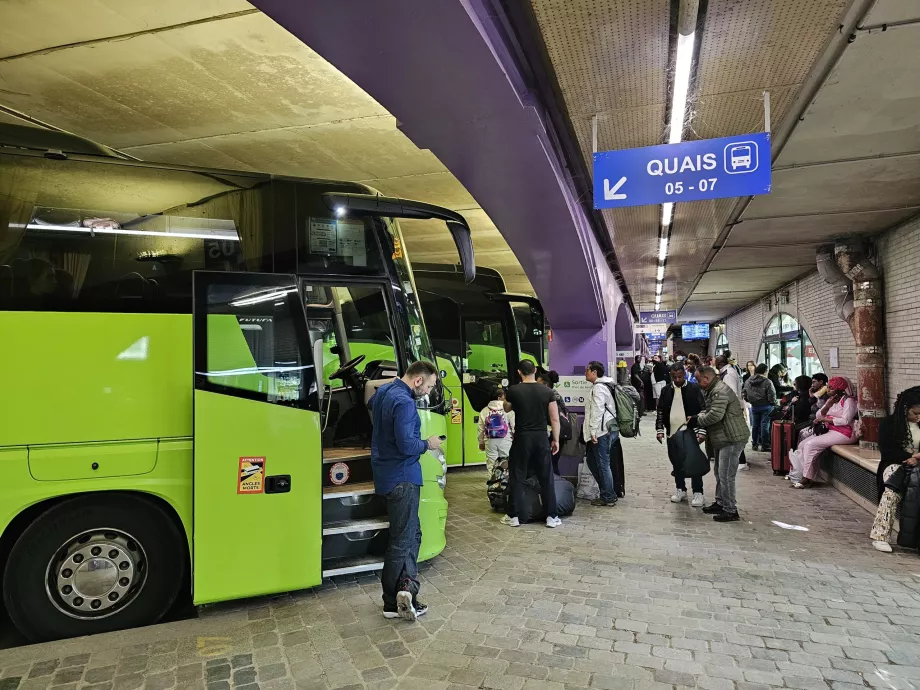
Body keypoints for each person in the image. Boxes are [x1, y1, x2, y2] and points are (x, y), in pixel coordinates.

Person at [369, 360, 442, 621]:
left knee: (413, 533)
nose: (428, 392)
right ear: (418, 380)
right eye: (430, 385)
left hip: (387, 474)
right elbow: (407, 445)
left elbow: (371, 406)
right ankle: (392, 601)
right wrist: (429, 443)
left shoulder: (384, 392)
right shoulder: (406, 403)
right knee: (401, 541)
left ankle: (407, 589)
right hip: (403, 477)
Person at [502, 360, 561, 528]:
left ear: (519, 372)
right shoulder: (548, 391)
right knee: (546, 476)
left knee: (517, 475)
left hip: (522, 438)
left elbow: (506, 408)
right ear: (535, 370)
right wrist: (555, 439)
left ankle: (513, 516)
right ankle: (551, 516)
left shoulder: (513, 390)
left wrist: (509, 399)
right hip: (541, 437)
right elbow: (555, 419)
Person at [690, 366, 750, 522]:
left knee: (726, 475)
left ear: (707, 378)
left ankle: (730, 509)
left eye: (698, 380)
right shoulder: (712, 389)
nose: (697, 383)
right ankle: (721, 502)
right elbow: (708, 410)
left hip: (731, 437)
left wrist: (696, 420)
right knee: (719, 471)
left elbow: (715, 415)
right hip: (722, 437)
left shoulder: (719, 391)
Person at [870, 387, 920, 552]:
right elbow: (887, 451)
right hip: (895, 464)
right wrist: (909, 457)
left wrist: (917, 458)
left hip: (918, 464)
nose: (918, 417)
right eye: (915, 413)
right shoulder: (888, 424)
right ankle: (880, 535)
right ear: (905, 409)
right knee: (892, 491)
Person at [788, 376, 858, 488]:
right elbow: (818, 415)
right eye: (828, 388)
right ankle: (800, 474)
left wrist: (825, 419)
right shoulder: (832, 400)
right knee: (802, 444)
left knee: (811, 445)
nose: (828, 390)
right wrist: (828, 406)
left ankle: (807, 478)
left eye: (832, 388)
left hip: (845, 432)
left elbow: (845, 420)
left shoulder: (849, 401)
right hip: (831, 429)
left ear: (840, 389)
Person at [656, 362, 708, 507]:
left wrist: (702, 430)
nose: (677, 380)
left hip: (691, 431)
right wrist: (659, 430)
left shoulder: (694, 388)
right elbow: (660, 411)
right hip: (672, 432)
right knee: (676, 462)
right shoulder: (666, 390)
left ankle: (698, 492)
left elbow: (704, 410)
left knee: (694, 462)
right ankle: (681, 489)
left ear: (684, 375)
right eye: (674, 377)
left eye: (679, 377)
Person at [583, 361, 619, 507]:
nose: (585, 372)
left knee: (603, 464)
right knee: (592, 461)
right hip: (609, 428)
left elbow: (597, 411)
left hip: (601, 431)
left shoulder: (598, 388)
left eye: (587, 370)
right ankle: (607, 491)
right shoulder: (607, 385)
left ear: (594, 372)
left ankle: (608, 496)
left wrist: (593, 432)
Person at [716, 353, 748, 470]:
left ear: (720, 363)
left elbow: (732, 393)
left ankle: (741, 462)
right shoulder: (726, 372)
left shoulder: (729, 374)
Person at [536, 368, 568, 475]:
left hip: (552, 433)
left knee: (548, 465)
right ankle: (556, 486)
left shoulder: (547, 396)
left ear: (545, 385)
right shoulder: (556, 395)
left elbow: (553, 418)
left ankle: (552, 488)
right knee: (553, 463)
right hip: (560, 433)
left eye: (538, 383)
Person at [478, 388, 514, 476]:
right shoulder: (508, 409)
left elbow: (480, 429)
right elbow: (514, 426)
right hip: (505, 440)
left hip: (490, 440)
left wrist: (481, 442)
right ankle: (505, 486)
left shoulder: (484, 411)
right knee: (506, 463)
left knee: (492, 464)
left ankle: (493, 486)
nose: (505, 399)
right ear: (499, 398)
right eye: (504, 397)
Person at [743, 364, 776, 452]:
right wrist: (773, 403)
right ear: (765, 371)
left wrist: (750, 401)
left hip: (754, 406)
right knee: (765, 425)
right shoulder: (767, 381)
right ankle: (765, 445)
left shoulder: (748, 381)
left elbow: (744, 394)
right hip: (766, 406)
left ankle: (755, 444)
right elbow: (772, 395)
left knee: (755, 425)